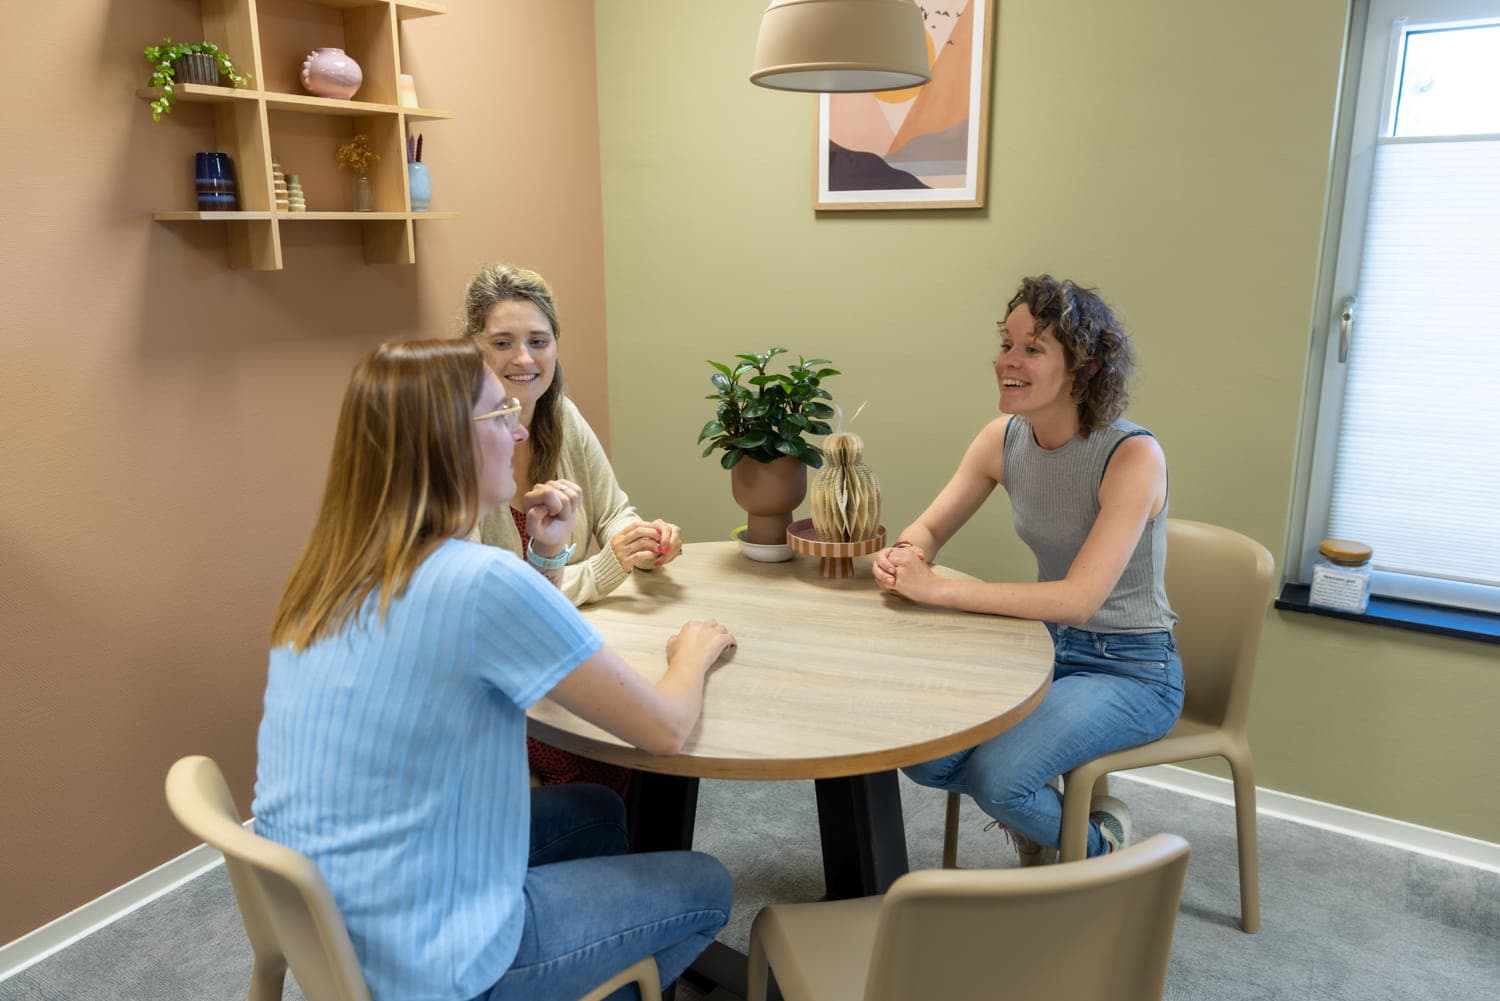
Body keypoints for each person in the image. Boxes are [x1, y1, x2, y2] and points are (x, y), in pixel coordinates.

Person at [253, 339, 734, 1001]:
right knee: (708, 884)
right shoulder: (479, 582)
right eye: (500, 413)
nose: (519, 430)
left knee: (597, 812)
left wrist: (546, 554)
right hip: (438, 962)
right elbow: (665, 729)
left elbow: (510, 644)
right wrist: (693, 653)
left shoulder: (331, 572)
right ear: (446, 443)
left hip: (336, 923)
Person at [873, 275, 1184, 863]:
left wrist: (936, 590)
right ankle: (1042, 820)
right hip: (1042, 650)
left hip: (1132, 669)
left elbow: (1077, 600)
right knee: (922, 754)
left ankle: (1102, 847)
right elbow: (929, 530)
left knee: (998, 778)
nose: (1007, 361)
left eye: (1032, 349)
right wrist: (906, 554)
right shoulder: (1002, 439)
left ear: (1085, 368)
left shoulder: (1133, 456)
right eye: (1006, 344)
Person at [462, 262, 680, 794]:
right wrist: (605, 568)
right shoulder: (463, 453)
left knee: (649, 725)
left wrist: (639, 541)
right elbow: (502, 614)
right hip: (513, 683)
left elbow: (614, 511)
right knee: (643, 736)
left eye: (538, 341)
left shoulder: (562, 417)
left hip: (563, 641)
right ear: (472, 349)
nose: (524, 359)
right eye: (503, 342)